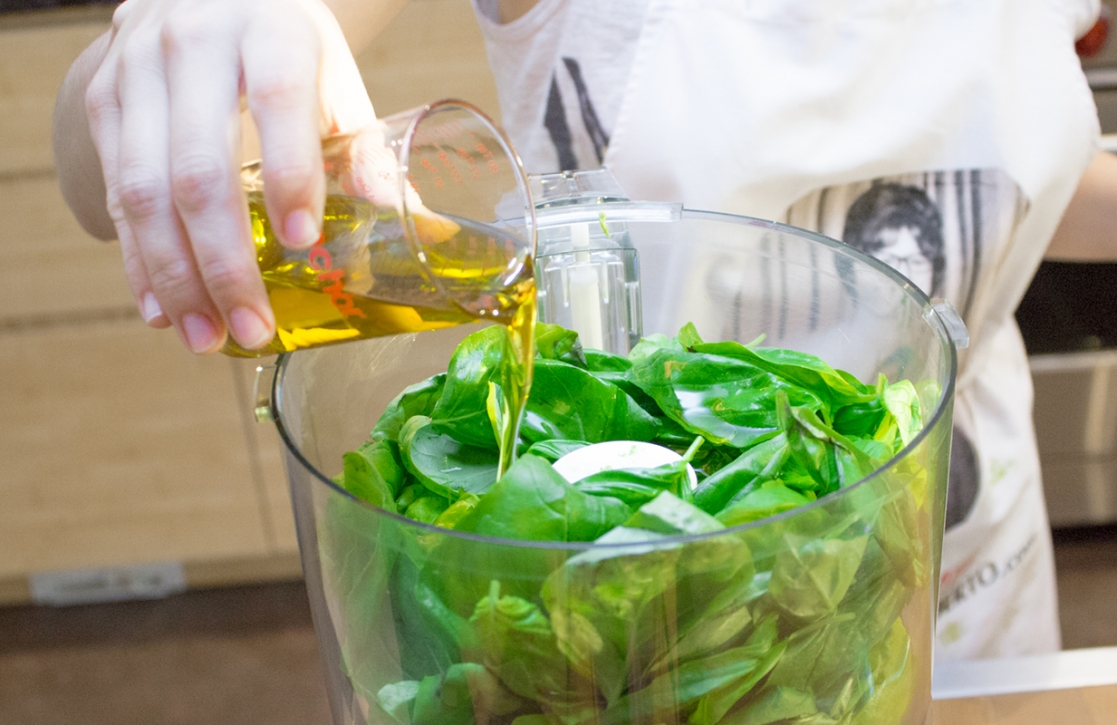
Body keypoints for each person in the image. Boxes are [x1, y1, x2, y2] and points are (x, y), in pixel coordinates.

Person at [52, 0, 1117, 659]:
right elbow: (98, 177)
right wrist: (183, 40)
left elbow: (991, 179)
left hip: (963, 565)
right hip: (635, 623)